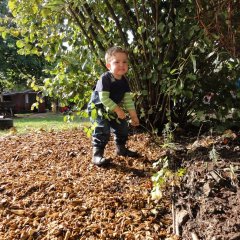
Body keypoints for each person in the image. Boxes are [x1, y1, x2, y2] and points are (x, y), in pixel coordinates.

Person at [88, 46, 140, 166]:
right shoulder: (105, 78)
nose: (121, 64)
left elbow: (128, 101)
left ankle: (121, 149)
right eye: (117, 62)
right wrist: (118, 110)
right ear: (108, 66)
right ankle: (97, 155)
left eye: (124, 62)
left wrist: (134, 116)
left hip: (112, 109)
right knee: (102, 129)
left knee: (122, 126)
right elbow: (103, 98)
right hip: (99, 109)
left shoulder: (124, 81)